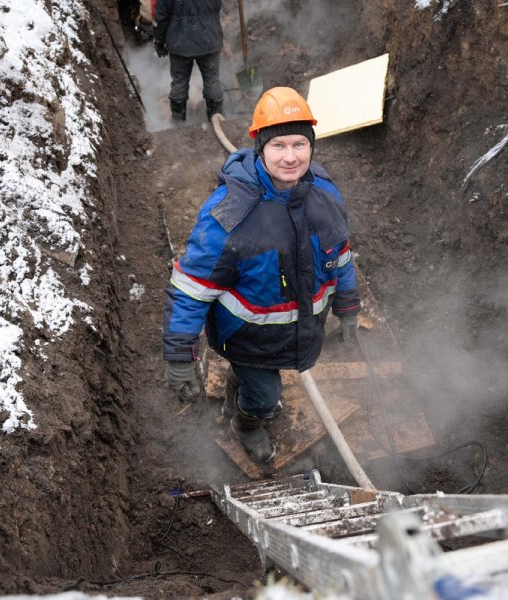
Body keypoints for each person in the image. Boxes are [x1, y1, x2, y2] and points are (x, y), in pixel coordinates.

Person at [162, 87, 361, 464]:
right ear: (260, 147)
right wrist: (179, 356)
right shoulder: (231, 215)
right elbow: (189, 289)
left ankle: (245, 393)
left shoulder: (326, 195)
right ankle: (247, 424)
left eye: (300, 145)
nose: (290, 157)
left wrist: (348, 305)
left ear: (312, 145)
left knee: (260, 386)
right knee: (265, 397)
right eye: (279, 146)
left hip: (299, 330)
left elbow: (341, 255)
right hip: (248, 339)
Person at [152, 0, 224, 124]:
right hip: (209, 41)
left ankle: (178, 124)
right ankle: (216, 119)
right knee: (212, 80)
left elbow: (161, 16)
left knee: (179, 82)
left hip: (179, 43)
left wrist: (159, 41)